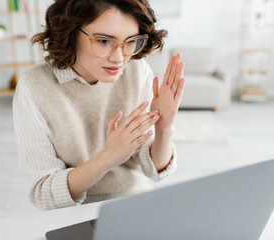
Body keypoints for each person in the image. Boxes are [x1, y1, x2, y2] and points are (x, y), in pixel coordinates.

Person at [13, 0, 185, 210]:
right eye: (104, 41)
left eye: (131, 41)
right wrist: (108, 158)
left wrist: (164, 128)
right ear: (70, 32)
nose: (119, 58)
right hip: (70, 214)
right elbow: (43, 193)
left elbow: (154, 171)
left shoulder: (137, 72)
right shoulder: (34, 86)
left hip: (134, 203)